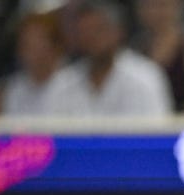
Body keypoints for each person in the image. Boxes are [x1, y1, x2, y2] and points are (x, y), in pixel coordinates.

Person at [42, 0, 174, 117]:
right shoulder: (62, 83)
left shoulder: (146, 77)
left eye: (98, 30)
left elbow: (159, 137)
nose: (92, 39)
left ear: (117, 31)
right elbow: (51, 136)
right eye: (85, 32)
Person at [0, 3, 67, 116]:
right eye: (25, 41)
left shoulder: (75, 86)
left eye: (37, 39)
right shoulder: (6, 92)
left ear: (56, 45)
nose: (29, 46)